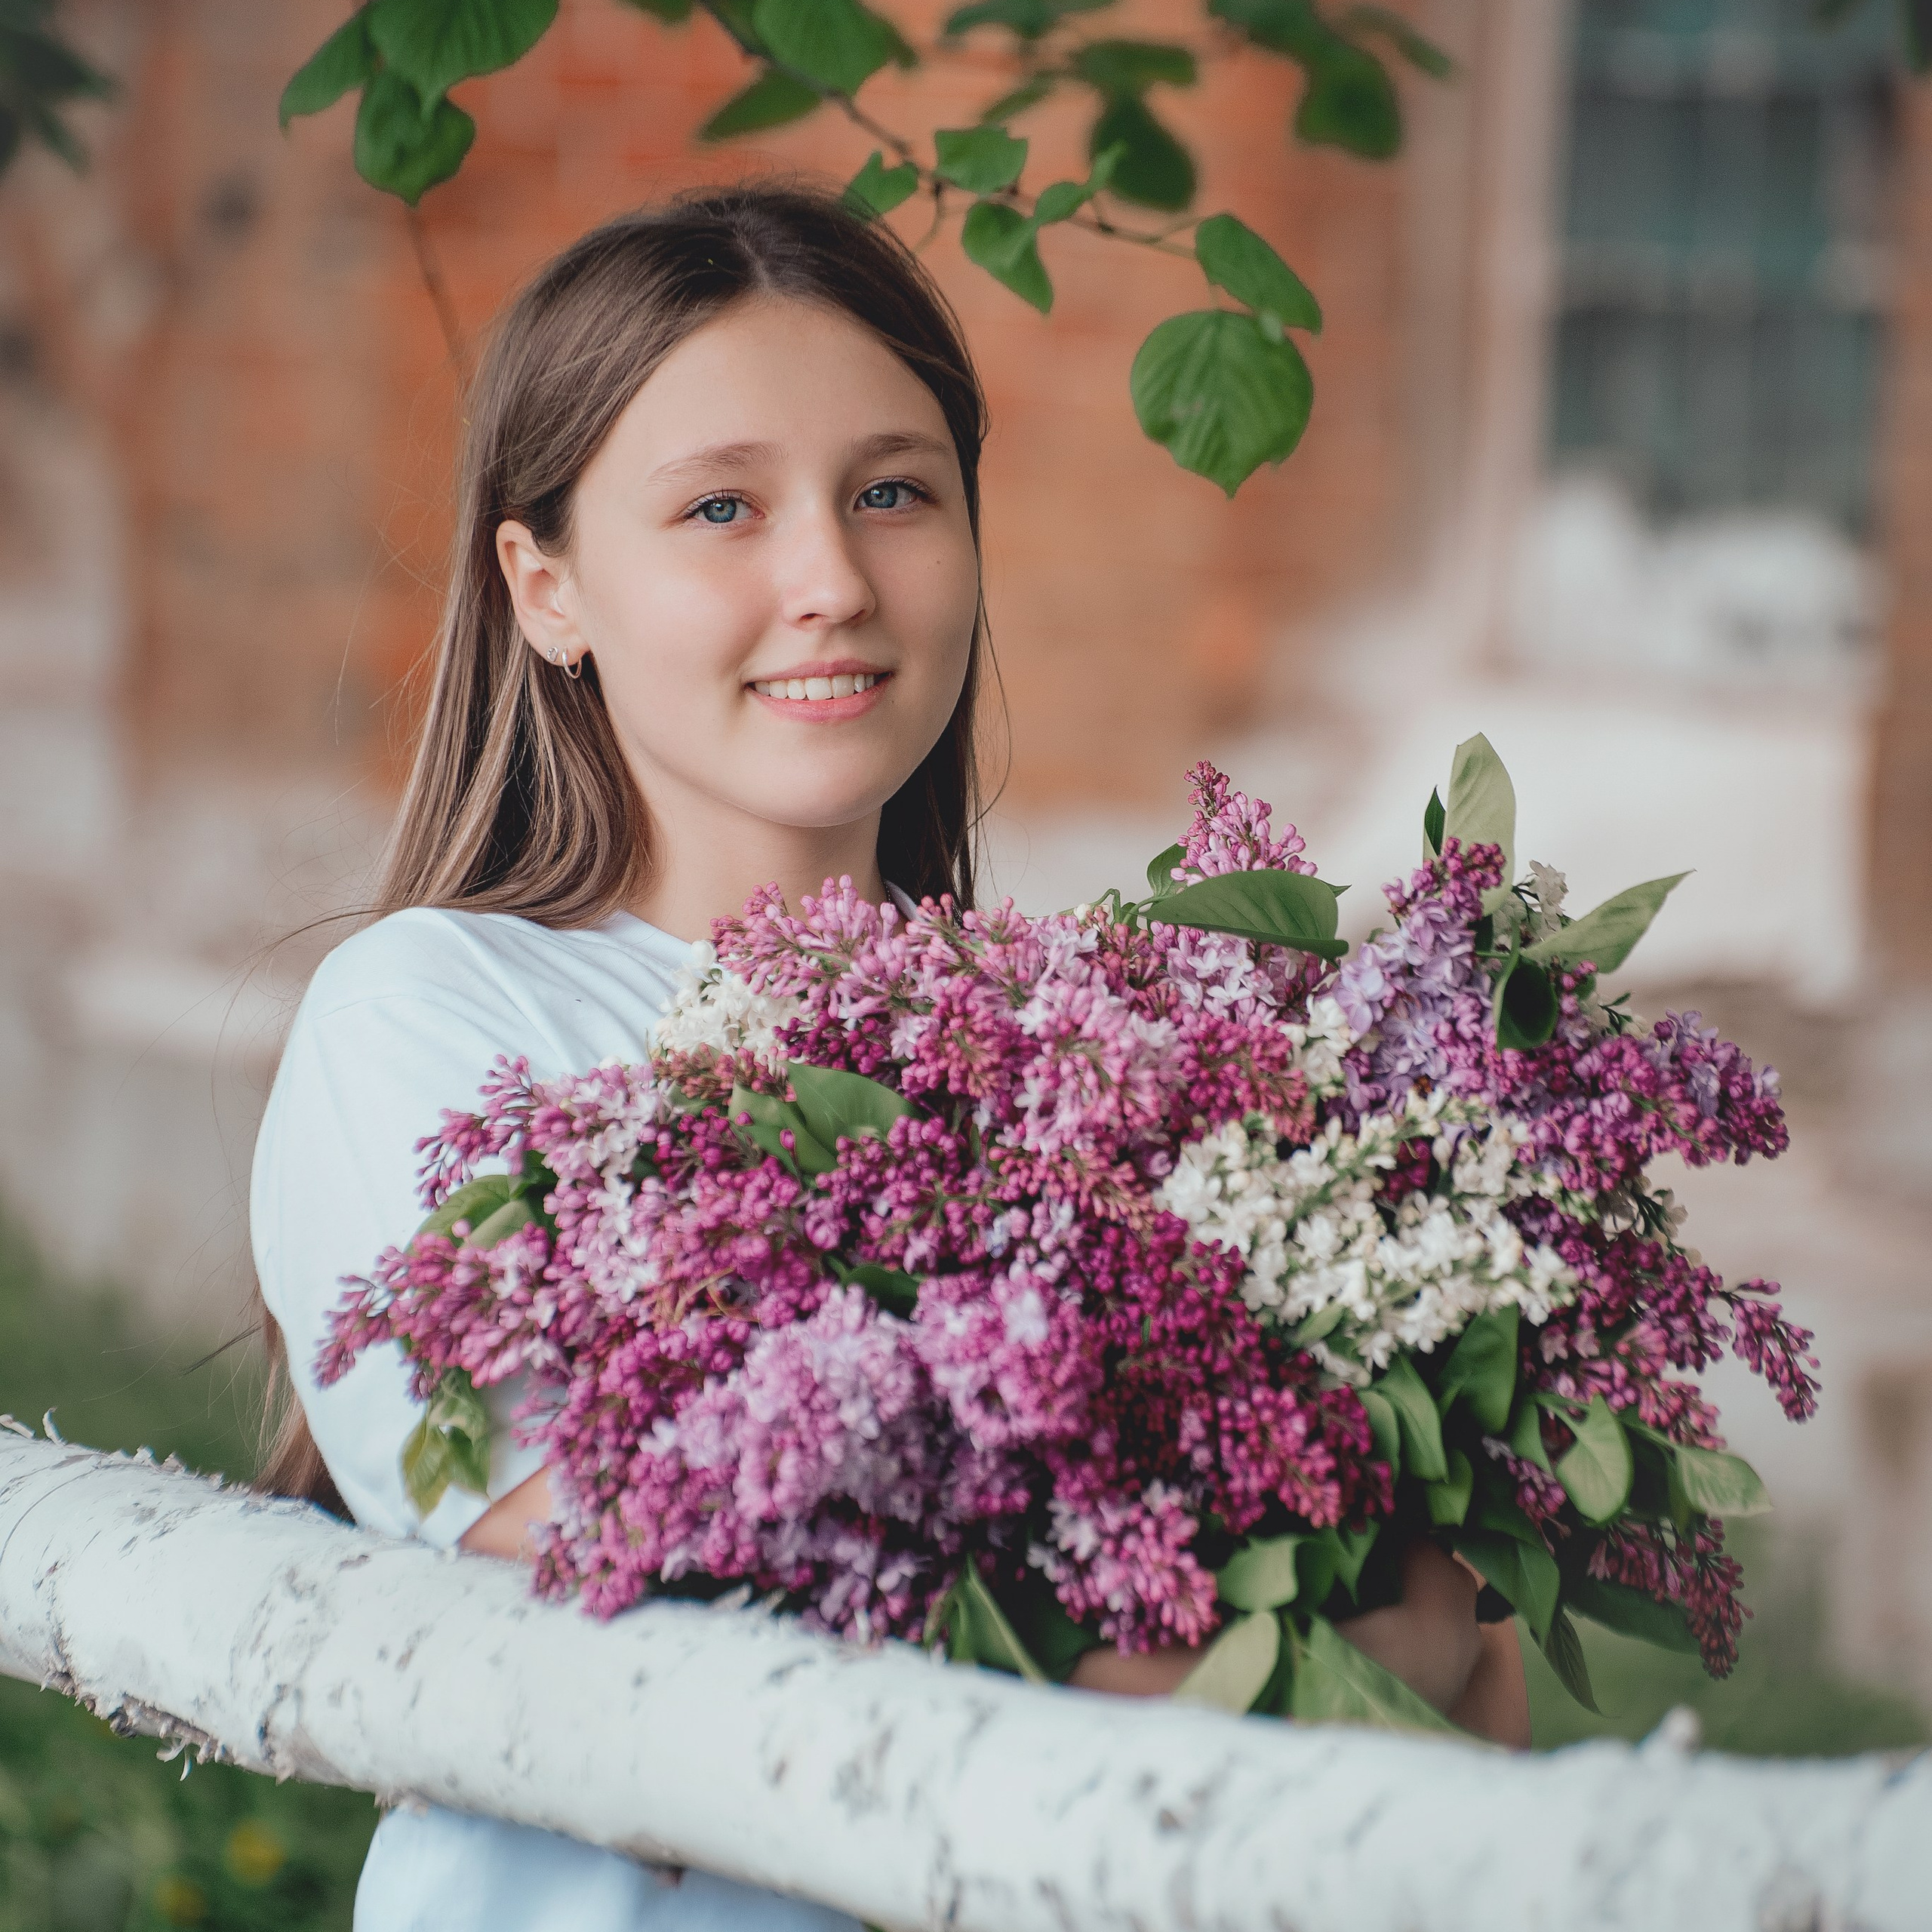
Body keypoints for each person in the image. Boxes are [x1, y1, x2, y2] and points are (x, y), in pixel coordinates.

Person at [251, 177, 1528, 1932]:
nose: (832, 581)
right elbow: (624, 1544)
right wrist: (1335, 1644)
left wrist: (1421, 1608)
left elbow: (1474, 1705)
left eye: (892, 493)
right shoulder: (444, 1019)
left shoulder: (1109, 1061)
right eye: (719, 506)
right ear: (546, 586)